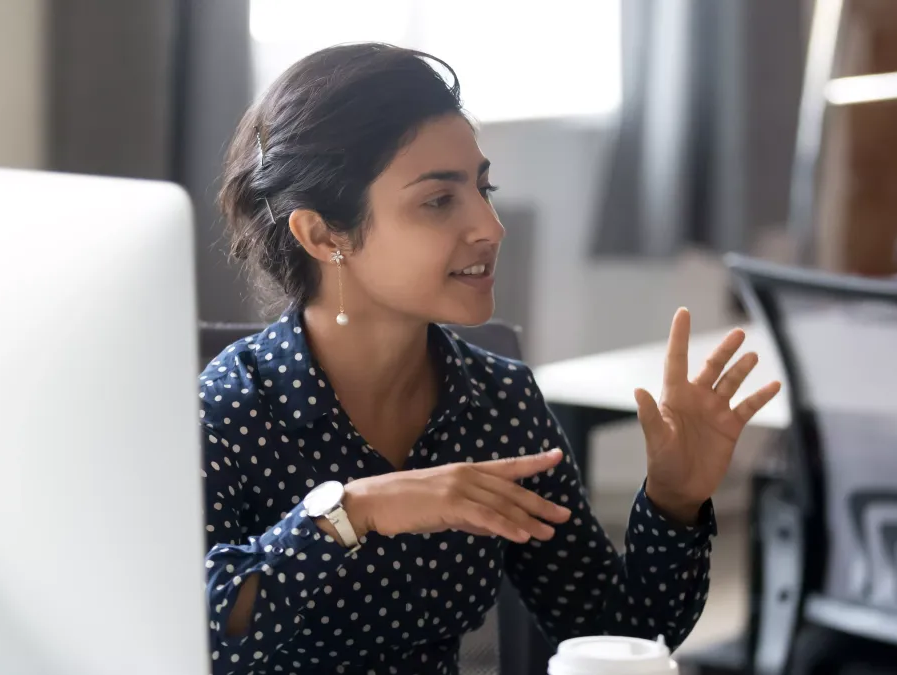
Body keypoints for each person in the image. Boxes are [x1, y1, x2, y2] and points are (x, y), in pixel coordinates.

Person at [200, 43, 781, 674]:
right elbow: (195, 632)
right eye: (438, 201)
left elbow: (615, 635)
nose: (491, 226)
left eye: (484, 188)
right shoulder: (230, 409)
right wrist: (355, 511)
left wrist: (673, 499)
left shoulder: (498, 402)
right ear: (322, 235)